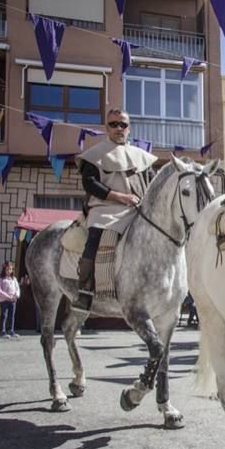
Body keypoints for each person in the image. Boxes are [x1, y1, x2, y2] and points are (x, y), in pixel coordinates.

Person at [72, 109, 157, 316]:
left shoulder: (141, 157)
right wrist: (121, 197)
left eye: (123, 124)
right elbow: (90, 184)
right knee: (94, 240)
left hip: (136, 210)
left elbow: (153, 184)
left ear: (129, 128)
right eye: (113, 124)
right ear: (106, 128)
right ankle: (85, 291)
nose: (119, 128)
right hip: (104, 210)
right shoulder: (94, 155)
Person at [0, 261, 20, 338]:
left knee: (11, 316)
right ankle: (2, 331)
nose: (9, 271)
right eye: (7, 269)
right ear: (4, 270)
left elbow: (17, 288)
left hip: (13, 300)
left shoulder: (13, 279)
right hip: (4, 300)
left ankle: (11, 330)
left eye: (10, 269)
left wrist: (16, 295)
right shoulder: (1, 279)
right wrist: (7, 297)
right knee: (4, 315)